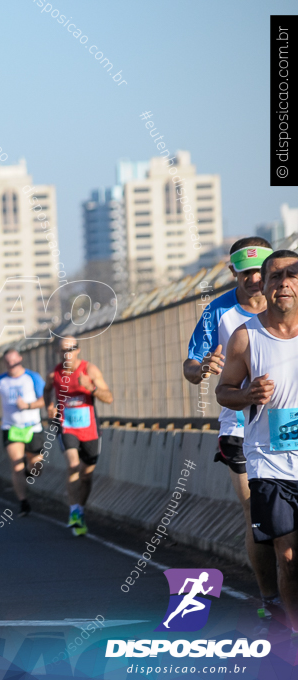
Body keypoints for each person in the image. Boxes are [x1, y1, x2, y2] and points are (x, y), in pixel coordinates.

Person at [185, 237, 280, 623]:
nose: (256, 280)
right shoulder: (218, 312)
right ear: (233, 273)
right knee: (256, 513)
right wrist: (203, 366)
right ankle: (271, 598)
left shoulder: (288, 301)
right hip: (239, 426)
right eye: (247, 273)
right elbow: (190, 368)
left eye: (262, 271)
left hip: (287, 422)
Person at [216, 249, 298, 633]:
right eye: (276, 276)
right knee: (289, 557)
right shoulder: (246, 337)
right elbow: (224, 391)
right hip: (270, 461)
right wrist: (248, 396)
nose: (284, 283)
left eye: (293, 275)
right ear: (263, 286)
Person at [44, 336, 113, 536]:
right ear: (59, 352)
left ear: (78, 350)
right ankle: (73, 511)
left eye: (71, 349)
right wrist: (49, 405)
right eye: (64, 350)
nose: (68, 353)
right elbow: (46, 390)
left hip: (90, 429)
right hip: (67, 427)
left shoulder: (89, 370)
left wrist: (91, 387)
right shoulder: (53, 374)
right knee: (73, 464)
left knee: (87, 475)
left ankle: (80, 511)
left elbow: (109, 397)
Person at [0, 348, 46, 517]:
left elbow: (44, 400)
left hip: (32, 427)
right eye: (8, 363)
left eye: (15, 362)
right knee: (16, 465)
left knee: (36, 468)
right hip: (11, 428)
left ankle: (29, 470)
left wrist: (27, 405)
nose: (12, 366)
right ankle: (23, 502)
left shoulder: (33, 378)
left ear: (20, 359)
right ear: (5, 363)